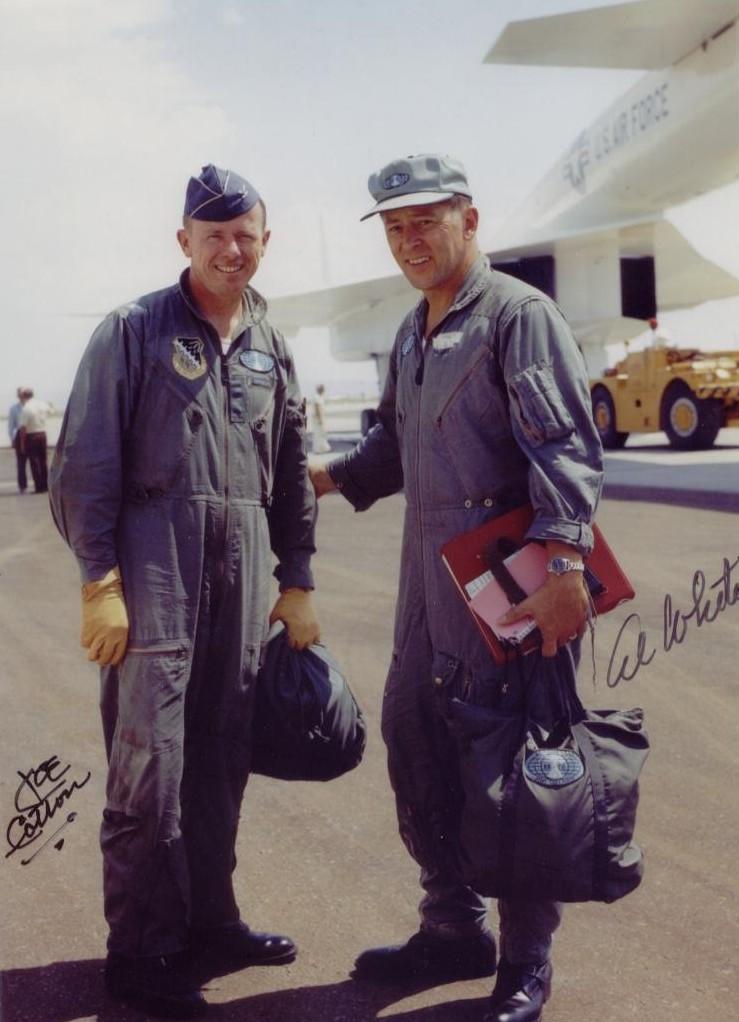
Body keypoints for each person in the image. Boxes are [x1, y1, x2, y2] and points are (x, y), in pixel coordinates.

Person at [310, 154, 603, 1022]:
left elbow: (565, 450)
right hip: (427, 585)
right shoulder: (412, 331)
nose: (408, 239)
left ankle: (524, 959)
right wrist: (311, 477)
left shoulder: (516, 316)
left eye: (424, 221)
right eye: (395, 226)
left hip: (510, 580)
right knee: (418, 742)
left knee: (513, 768)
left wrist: (563, 566)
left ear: (468, 222)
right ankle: (451, 927)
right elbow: (392, 452)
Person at [49, 164, 320, 1018]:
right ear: (184, 243)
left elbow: (288, 474)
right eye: (214, 238)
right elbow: (84, 464)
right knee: (149, 772)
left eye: (246, 237)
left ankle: (212, 923)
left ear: (264, 242)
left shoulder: (271, 343)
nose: (231, 252)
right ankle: (139, 950)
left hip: (240, 582)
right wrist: (100, 580)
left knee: (221, 761)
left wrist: (298, 576)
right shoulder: (133, 329)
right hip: (154, 568)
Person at [18, 386, 50, 493]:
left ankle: (39, 487)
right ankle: (46, 485)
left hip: (32, 436)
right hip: (43, 434)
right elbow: (52, 410)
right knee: (43, 461)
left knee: (34, 462)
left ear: (24, 396)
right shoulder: (42, 404)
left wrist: (22, 444)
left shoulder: (27, 408)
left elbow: (23, 428)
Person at [7, 387, 28, 494]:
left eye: (24, 393)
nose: (22, 396)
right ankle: (22, 486)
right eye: (20, 394)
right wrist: (12, 439)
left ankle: (41, 485)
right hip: (19, 436)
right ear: (18, 395)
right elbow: (11, 426)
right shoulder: (13, 409)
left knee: (36, 462)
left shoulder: (32, 407)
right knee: (21, 463)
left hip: (32, 435)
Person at [311, 382, 332, 453]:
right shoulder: (317, 397)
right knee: (319, 434)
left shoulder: (319, 397)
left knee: (321, 434)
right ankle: (318, 449)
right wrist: (320, 419)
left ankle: (322, 448)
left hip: (319, 418)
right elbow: (318, 409)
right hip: (318, 418)